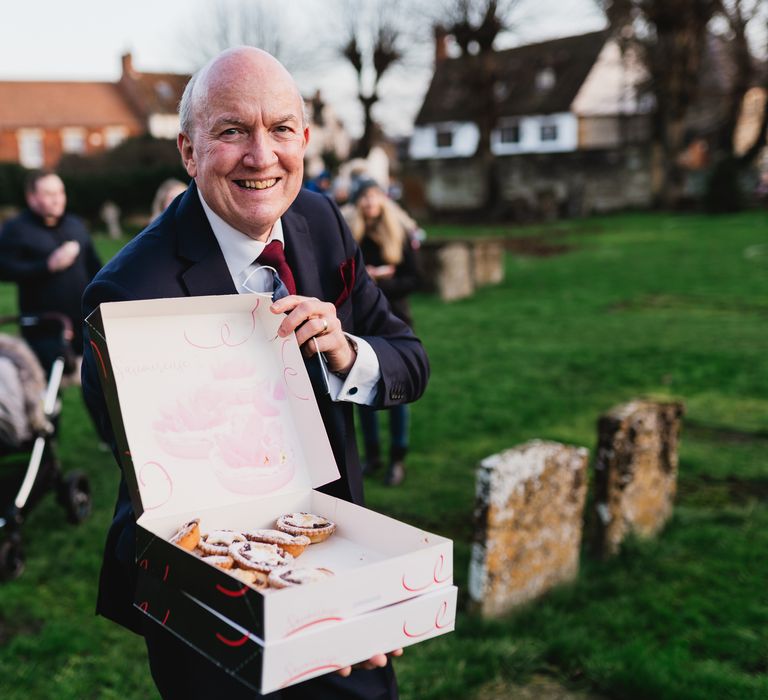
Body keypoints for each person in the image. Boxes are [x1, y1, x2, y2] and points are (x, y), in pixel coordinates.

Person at [81, 47, 429, 700]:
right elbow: (149, 469)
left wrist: (348, 353)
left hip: (342, 571)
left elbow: (407, 355)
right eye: (232, 130)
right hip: (211, 609)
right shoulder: (128, 293)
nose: (261, 155)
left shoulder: (322, 221)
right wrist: (288, 600)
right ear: (189, 150)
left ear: (304, 137)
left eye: (279, 129)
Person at [346, 180, 423, 487]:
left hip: (395, 320)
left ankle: (397, 458)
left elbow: (414, 278)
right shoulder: (351, 236)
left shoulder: (399, 233)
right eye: (363, 197)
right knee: (363, 391)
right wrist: (367, 279)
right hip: (363, 324)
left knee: (398, 393)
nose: (369, 202)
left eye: (374, 196)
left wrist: (380, 283)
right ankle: (373, 455)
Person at [0, 170, 102, 376]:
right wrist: (47, 266)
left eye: (60, 192)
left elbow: (95, 267)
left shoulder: (76, 225)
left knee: (96, 385)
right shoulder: (16, 229)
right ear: (32, 198)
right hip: (44, 327)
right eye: (48, 193)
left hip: (84, 323)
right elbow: (4, 269)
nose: (57, 199)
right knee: (50, 389)